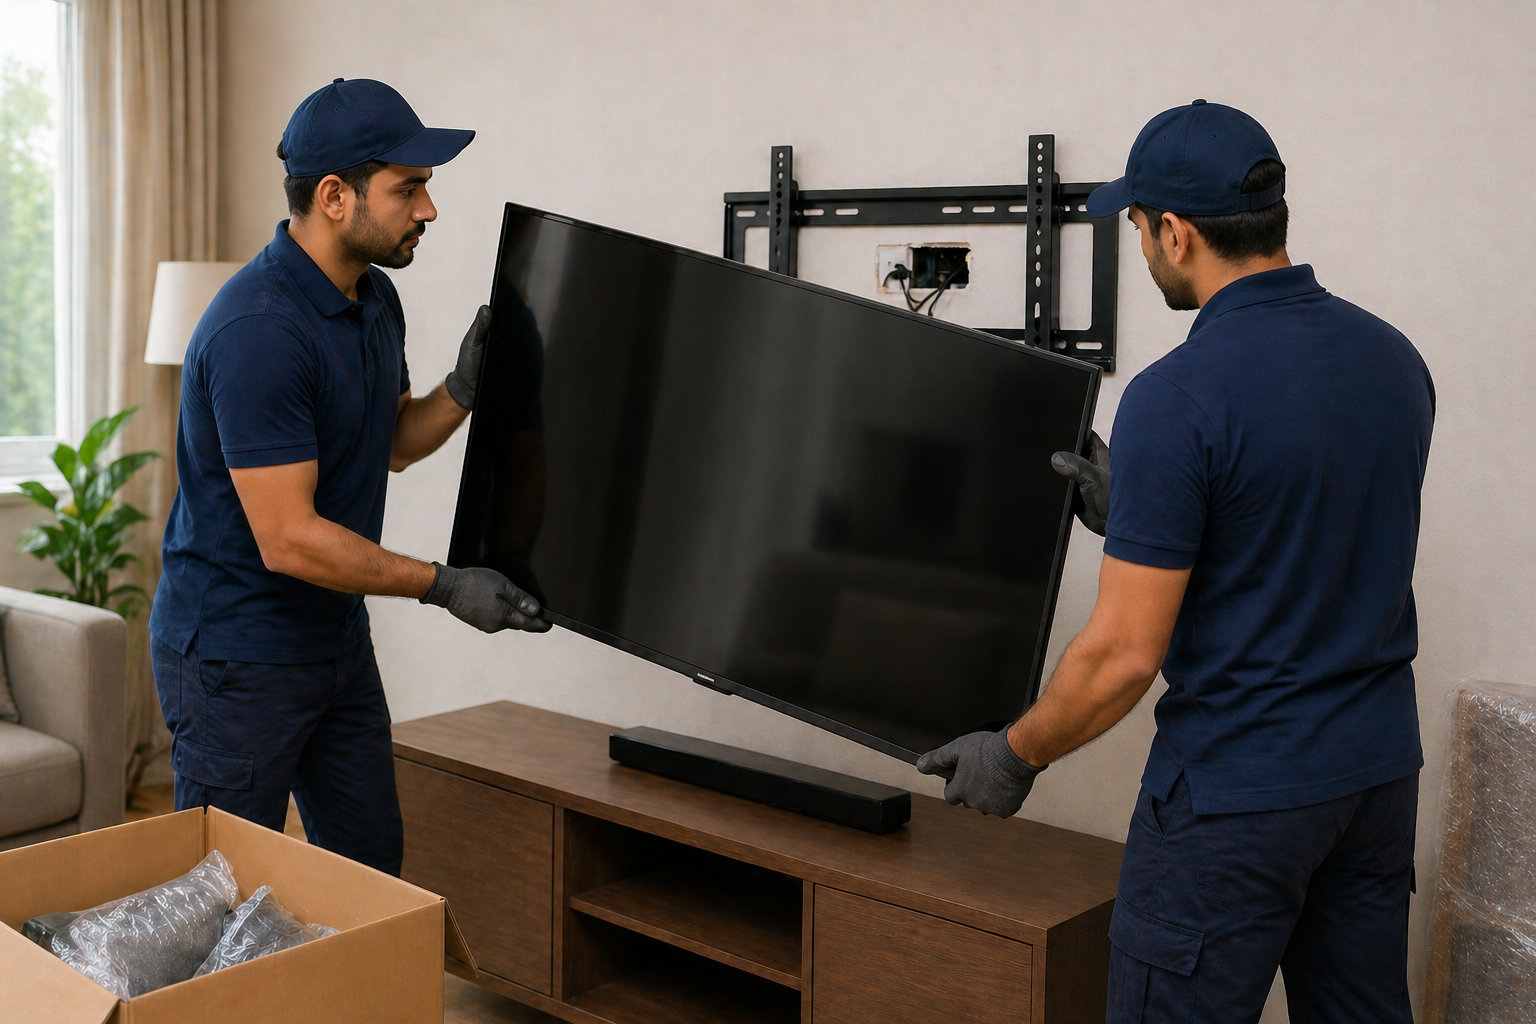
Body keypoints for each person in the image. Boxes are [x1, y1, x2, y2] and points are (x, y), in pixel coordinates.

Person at [918, 100, 1433, 1022]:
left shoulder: (1177, 398)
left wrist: (1014, 754)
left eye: (1138, 228)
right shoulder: (1394, 361)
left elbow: (1123, 655)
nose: (1143, 250)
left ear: (1176, 231)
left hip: (1236, 800)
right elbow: (1308, 534)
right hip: (1375, 776)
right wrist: (1143, 520)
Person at [149, 79, 549, 876]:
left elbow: (392, 442)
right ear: (334, 197)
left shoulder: (374, 299)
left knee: (367, 872)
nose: (427, 210)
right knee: (213, 893)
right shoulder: (259, 332)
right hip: (236, 655)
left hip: (333, 641)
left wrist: (462, 389)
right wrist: (441, 585)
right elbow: (290, 538)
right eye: (409, 188)